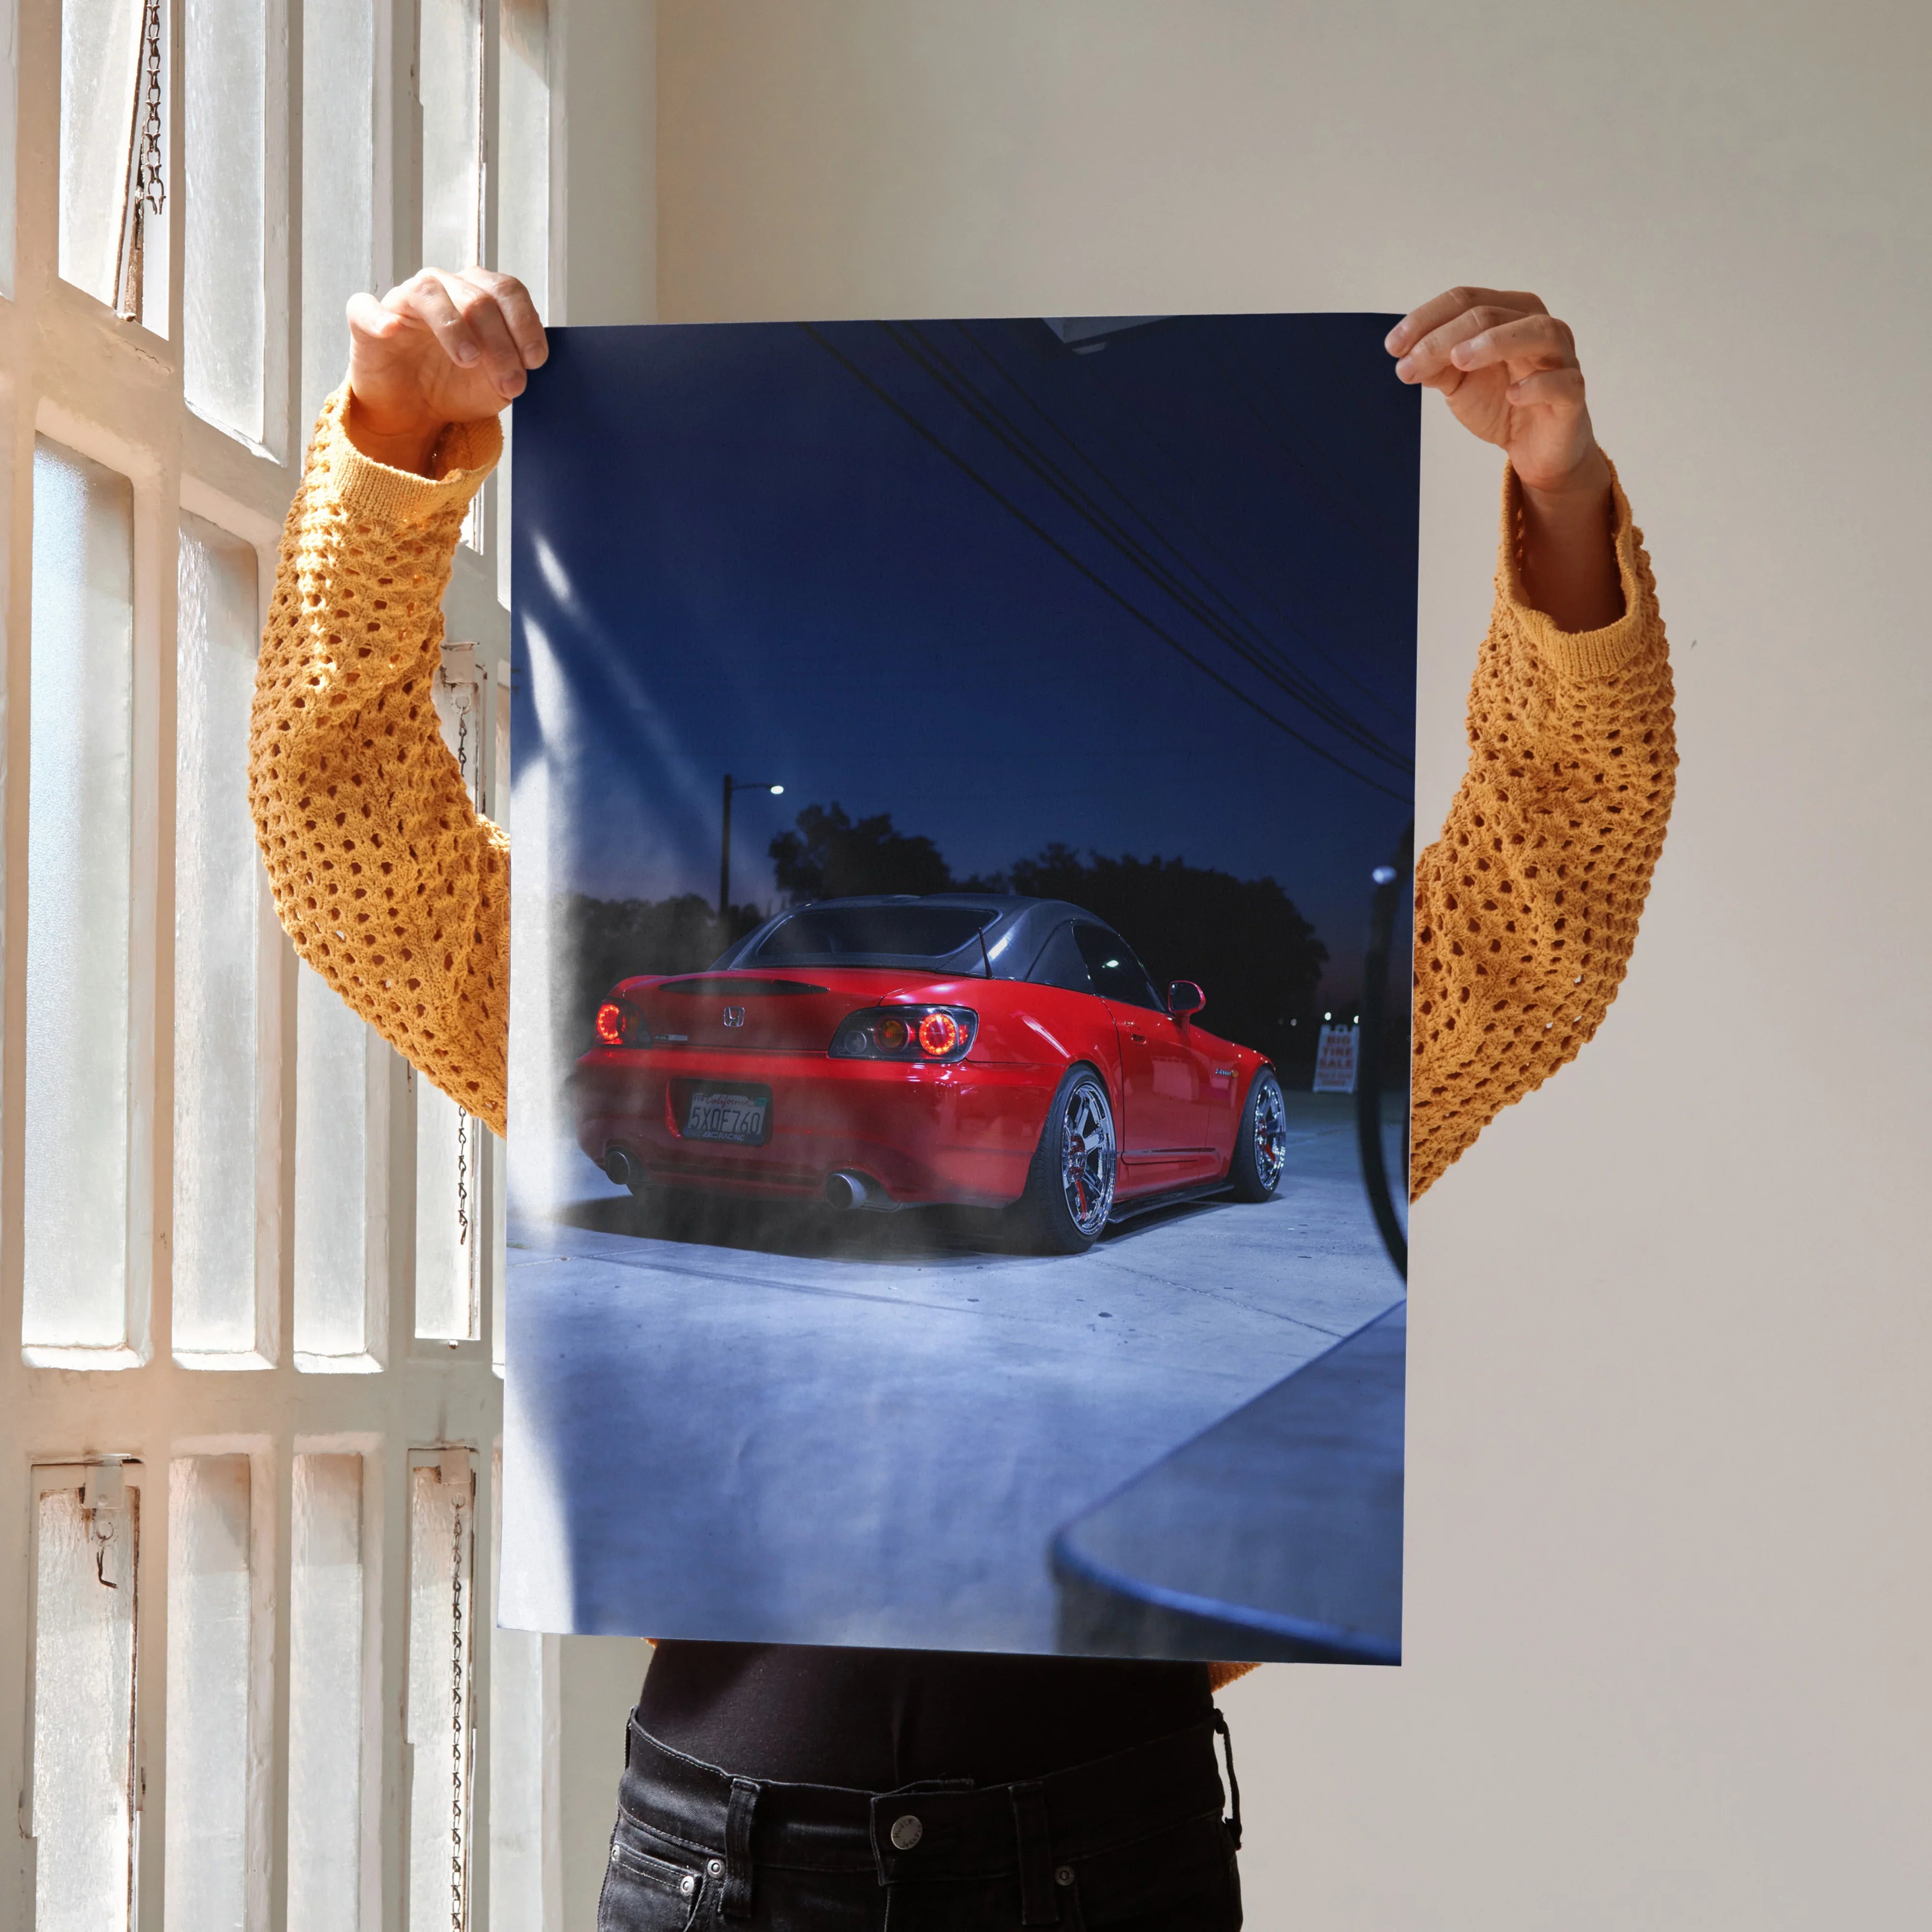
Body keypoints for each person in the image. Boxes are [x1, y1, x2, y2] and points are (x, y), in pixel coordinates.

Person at [249, 270, 1675, 1929]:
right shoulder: (1000, 1015)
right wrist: (391, 444)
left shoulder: (705, 1016)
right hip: (806, 1856)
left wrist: (1560, 497)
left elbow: (1543, 902)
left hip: (974, 1846)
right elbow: (350, 842)